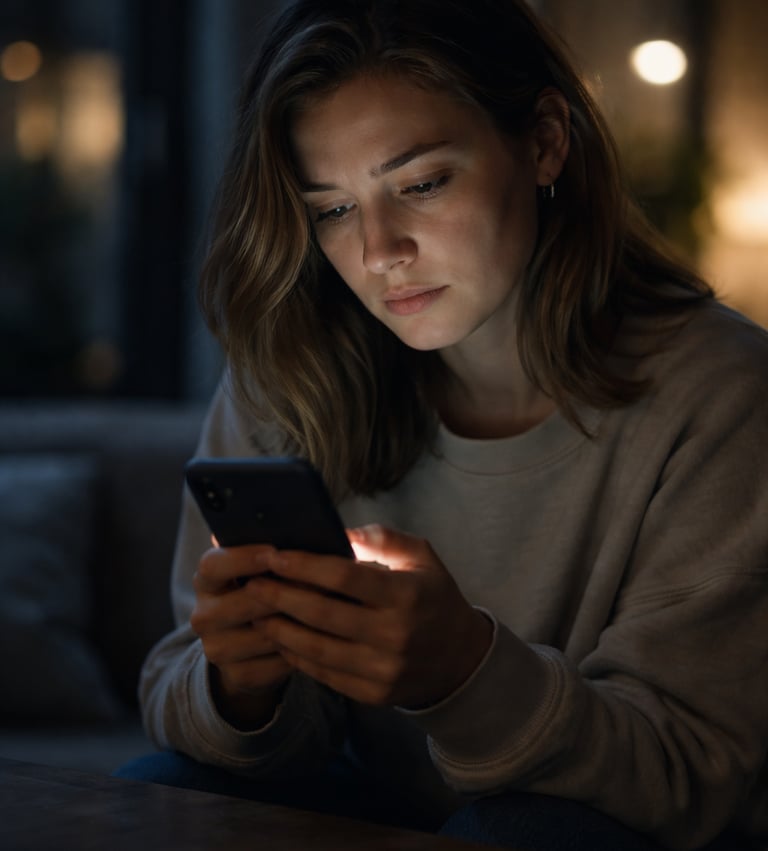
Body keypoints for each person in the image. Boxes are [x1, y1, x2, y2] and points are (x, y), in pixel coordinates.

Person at [116, 1, 768, 849]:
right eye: (333, 209)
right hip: (378, 801)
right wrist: (243, 684)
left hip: (603, 828)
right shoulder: (293, 368)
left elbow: (683, 773)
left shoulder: (724, 393)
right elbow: (176, 683)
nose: (380, 251)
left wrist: (464, 673)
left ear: (543, 142)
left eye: (421, 184)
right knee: (163, 795)